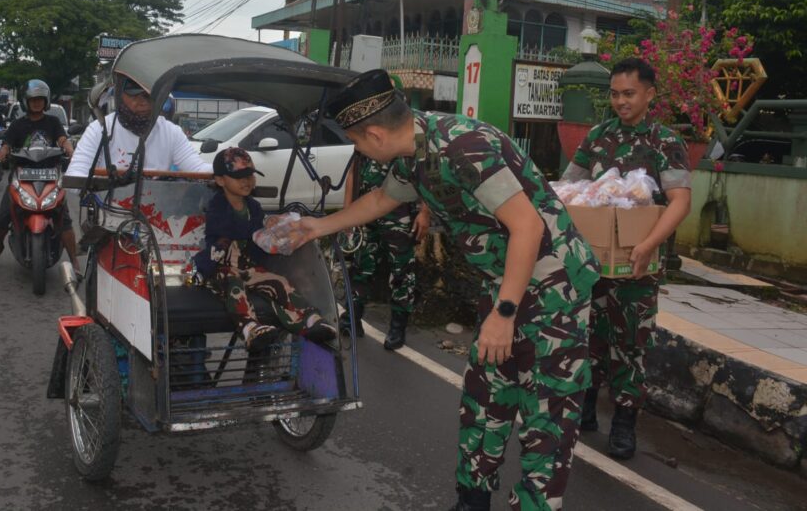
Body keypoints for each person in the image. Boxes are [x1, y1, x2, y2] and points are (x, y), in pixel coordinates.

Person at [290, 69, 600, 511]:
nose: (358, 149)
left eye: (356, 141)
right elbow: (382, 200)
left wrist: (504, 312)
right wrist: (318, 226)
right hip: (505, 284)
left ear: (375, 134)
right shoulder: (411, 151)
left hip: (553, 286)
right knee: (486, 395)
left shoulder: (463, 147)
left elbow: (527, 227)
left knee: (546, 414)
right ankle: (471, 499)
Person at [561, 57, 692, 460]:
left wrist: (649, 243)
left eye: (629, 94)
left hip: (637, 266)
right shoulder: (598, 136)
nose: (621, 101)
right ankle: (584, 406)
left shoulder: (664, 142)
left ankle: (624, 421)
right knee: (588, 336)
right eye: (615, 94)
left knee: (631, 343)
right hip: (594, 263)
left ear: (649, 95)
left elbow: (680, 202)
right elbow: (568, 187)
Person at [194, 147, 337, 351]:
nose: (247, 181)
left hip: (249, 267)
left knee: (279, 282)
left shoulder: (252, 205)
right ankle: (250, 328)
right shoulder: (217, 205)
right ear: (220, 180)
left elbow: (260, 228)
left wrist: (274, 227)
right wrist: (260, 226)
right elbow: (230, 228)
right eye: (239, 176)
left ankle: (311, 320)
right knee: (234, 286)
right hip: (221, 268)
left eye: (250, 175)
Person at [0, 79, 77, 271]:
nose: (36, 103)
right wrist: (2, 151)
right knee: (1, 218)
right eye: (33, 99)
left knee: (64, 219)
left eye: (40, 99)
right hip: (22, 176)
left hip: (50, 176)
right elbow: (7, 143)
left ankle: (74, 261)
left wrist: (68, 148)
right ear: (26, 101)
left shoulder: (53, 122)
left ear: (46, 101)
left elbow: (62, 138)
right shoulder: (17, 125)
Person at [342, 151, 430, 349]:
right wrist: (347, 211)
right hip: (365, 212)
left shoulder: (410, 134)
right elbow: (352, 172)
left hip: (400, 215)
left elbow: (426, 175)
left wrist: (425, 212)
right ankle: (351, 318)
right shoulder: (366, 135)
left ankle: (397, 329)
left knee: (402, 271)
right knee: (361, 265)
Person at [66, 76, 209, 178]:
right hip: (108, 213)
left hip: (157, 213)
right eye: (135, 96)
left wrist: (225, 169)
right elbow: (75, 174)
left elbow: (198, 170)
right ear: (119, 95)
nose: (142, 102)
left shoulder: (171, 132)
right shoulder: (100, 129)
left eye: (147, 96)